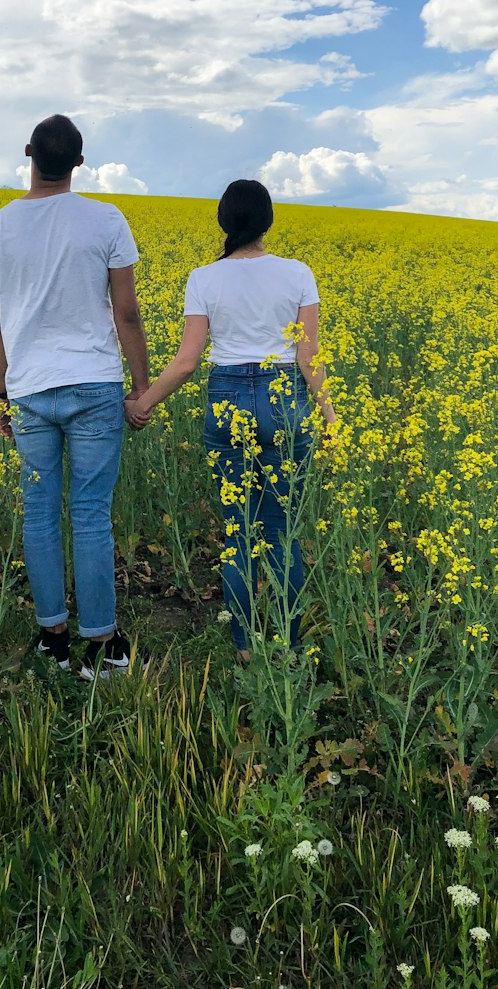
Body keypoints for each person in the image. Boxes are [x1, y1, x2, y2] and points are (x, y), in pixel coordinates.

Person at [125, 179, 336, 665]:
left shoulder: (205, 277)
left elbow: (185, 362)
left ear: (224, 222)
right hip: (285, 399)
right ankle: (287, 645)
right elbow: (309, 357)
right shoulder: (297, 273)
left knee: (239, 529)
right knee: (282, 530)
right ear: (268, 222)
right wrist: (328, 416)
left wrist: (144, 402)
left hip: (229, 400)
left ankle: (243, 647)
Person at [0, 115, 150, 680]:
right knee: (91, 515)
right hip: (95, 385)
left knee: (40, 512)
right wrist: (142, 388)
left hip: (29, 389)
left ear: (27, 153)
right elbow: (126, 312)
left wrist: (3, 393)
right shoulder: (106, 219)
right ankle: (101, 644)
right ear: (79, 161)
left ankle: (53, 637)